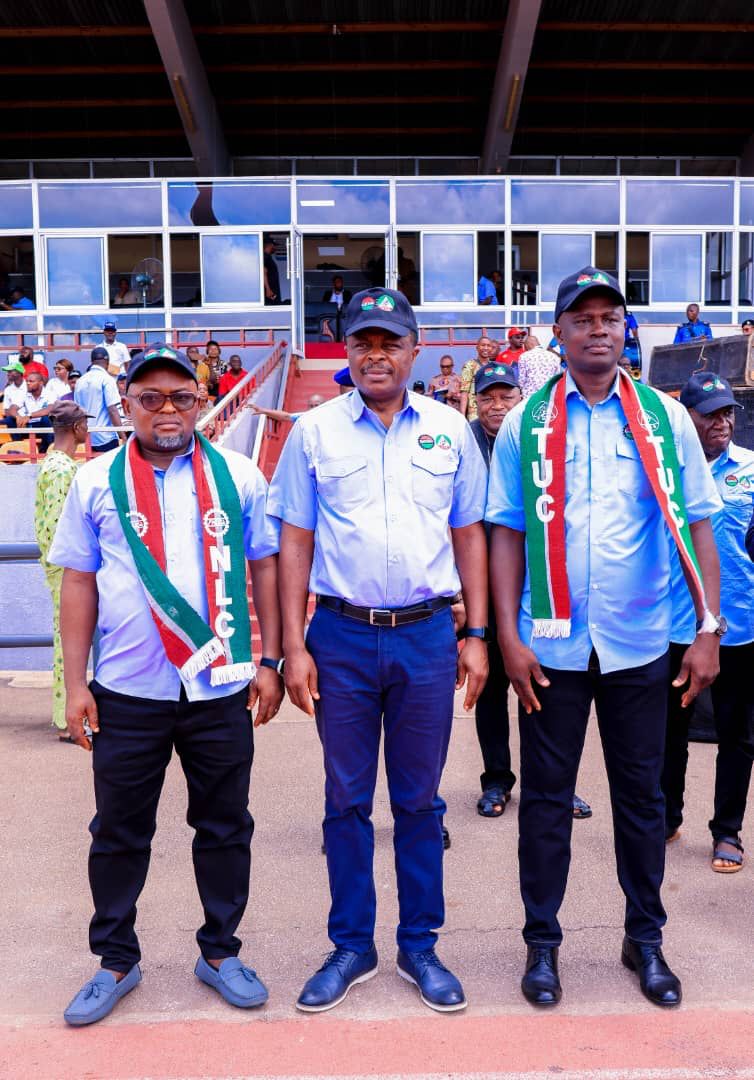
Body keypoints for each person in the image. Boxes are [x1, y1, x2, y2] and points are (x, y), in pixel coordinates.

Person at [487, 266, 722, 1010]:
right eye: (581, 318)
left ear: (627, 330)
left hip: (639, 643)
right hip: (549, 649)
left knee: (642, 799)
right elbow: (505, 532)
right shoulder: (525, 424)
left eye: (609, 317)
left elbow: (699, 524)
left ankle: (644, 940)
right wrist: (507, 636)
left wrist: (708, 629)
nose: (597, 329)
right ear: (557, 333)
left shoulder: (665, 419)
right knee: (545, 802)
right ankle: (542, 945)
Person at [268, 287, 488, 1014]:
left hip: (427, 635)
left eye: (390, 342)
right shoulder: (314, 432)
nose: (376, 355)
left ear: (414, 350)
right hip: (342, 636)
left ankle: (420, 944)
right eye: (362, 342)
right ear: (347, 352)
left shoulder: (450, 430)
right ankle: (352, 944)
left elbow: (469, 534)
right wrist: (293, 644)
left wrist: (477, 634)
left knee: (420, 801)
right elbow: (294, 538)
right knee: (345, 800)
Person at [50, 342, 283, 1027]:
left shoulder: (239, 476)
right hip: (127, 691)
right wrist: (75, 684)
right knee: (118, 831)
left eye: (181, 396)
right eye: (150, 398)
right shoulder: (96, 481)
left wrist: (270, 661)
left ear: (201, 402)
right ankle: (115, 960)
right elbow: (79, 581)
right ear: (127, 406)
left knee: (225, 826)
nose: (167, 410)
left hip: (220, 688)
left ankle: (220, 952)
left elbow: (265, 566)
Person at [663, 373, 754, 873]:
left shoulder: (751, 470)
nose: (722, 422)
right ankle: (667, 817)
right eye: (710, 414)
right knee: (669, 730)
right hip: (676, 623)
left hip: (741, 625)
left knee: (737, 734)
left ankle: (727, 831)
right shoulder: (666, 472)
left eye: (727, 413)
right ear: (687, 419)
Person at [34, 401, 89, 739]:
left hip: (66, 567)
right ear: (77, 427)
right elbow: (58, 527)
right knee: (68, 642)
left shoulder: (58, 463)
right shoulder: (59, 469)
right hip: (66, 569)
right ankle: (68, 719)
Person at [74, 346, 123, 454]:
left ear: (92, 362)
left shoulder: (80, 381)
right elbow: (112, 410)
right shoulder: (107, 379)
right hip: (106, 437)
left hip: (87, 437)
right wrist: (123, 436)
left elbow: (77, 411)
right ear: (107, 362)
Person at [15, 371, 57, 451]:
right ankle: (17, 449)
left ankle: (47, 450)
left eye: (31, 381)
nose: (28, 383)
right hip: (26, 425)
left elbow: (50, 409)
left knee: (46, 419)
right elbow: (12, 408)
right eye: (27, 381)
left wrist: (29, 416)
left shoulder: (50, 394)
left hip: (43, 425)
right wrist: (17, 416)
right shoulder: (23, 394)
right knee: (10, 420)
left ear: (41, 383)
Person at [459, 335, 497, 421]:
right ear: (477, 347)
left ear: (491, 348)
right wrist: (462, 416)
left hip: (491, 409)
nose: (486, 348)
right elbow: (464, 392)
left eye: (488, 346)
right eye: (483, 345)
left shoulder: (493, 366)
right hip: (475, 410)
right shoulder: (470, 365)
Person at [517, 335, 562, 399]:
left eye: (525, 346)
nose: (524, 349)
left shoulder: (524, 356)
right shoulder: (554, 357)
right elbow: (557, 378)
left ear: (528, 345)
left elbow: (522, 380)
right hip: (548, 395)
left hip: (530, 397)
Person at [249, 394, 325, 425]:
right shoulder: (304, 417)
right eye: (311, 406)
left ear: (323, 405)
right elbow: (286, 416)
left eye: (316, 405)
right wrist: (263, 411)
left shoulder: (329, 416)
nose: (314, 408)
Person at [0, 361, 27, 431]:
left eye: (10, 371)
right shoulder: (8, 389)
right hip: (13, 420)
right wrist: (17, 417)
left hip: (30, 419)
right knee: (9, 420)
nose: (7, 373)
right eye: (7, 371)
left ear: (19, 372)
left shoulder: (29, 386)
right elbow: (6, 410)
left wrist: (23, 418)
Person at [263, 235, 281, 305]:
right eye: (274, 245)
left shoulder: (268, 257)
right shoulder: (265, 257)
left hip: (272, 293)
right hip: (269, 295)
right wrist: (268, 290)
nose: (275, 248)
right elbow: (263, 272)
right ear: (270, 245)